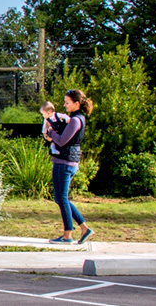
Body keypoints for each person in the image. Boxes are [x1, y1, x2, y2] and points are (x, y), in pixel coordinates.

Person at [44, 88, 95, 244]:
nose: (65, 105)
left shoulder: (76, 120)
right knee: (61, 198)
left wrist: (50, 132)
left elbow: (62, 140)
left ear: (77, 104)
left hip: (65, 163)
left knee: (62, 198)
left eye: (67, 103)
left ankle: (68, 235)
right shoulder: (77, 119)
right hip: (67, 162)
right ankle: (84, 228)